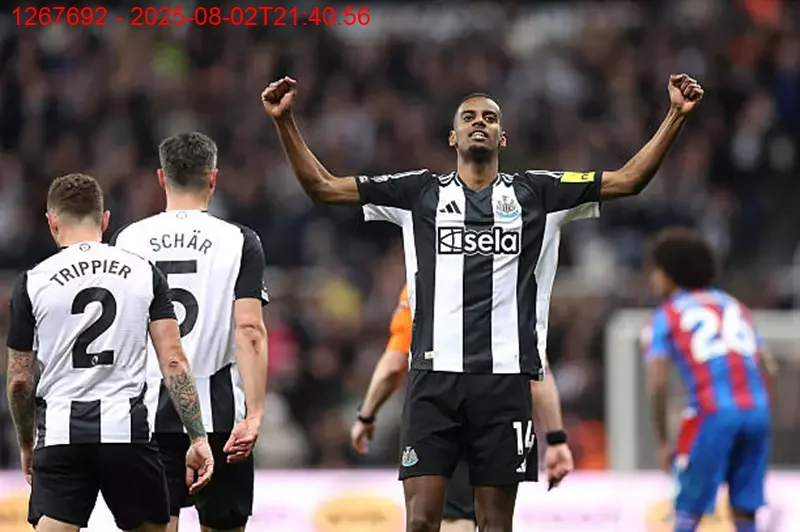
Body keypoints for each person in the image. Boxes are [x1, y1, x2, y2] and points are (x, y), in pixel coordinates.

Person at [262, 73, 703, 532]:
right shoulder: (418, 193)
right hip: (433, 380)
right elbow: (322, 187)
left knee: (494, 524)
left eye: (489, 118)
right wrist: (285, 121)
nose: (479, 122)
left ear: (502, 137)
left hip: (504, 382)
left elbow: (630, 180)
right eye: (469, 117)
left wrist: (675, 115)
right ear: (452, 137)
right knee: (421, 521)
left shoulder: (539, 193)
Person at [351, 203, 594, 531]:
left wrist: (366, 415)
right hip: (498, 409)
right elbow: (539, 372)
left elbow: (395, 363)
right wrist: (555, 438)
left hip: (442, 409)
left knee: (449, 517)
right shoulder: (508, 291)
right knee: (487, 519)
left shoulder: (424, 290)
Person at [5, 174, 214, 532]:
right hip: (127, 435)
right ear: (104, 220)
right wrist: (197, 437)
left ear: (52, 222)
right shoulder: (144, 273)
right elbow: (173, 361)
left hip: (61, 436)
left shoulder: (32, 282)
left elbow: (20, 381)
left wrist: (27, 442)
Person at [111, 133, 269, 532]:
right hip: (221, 416)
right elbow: (249, 329)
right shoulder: (239, 241)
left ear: (161, 178)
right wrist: (254, 414)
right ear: (213, 178)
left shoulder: (127, 240)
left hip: (146, 414)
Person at [642, 228, 776, 532]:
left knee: (688, 509)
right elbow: (769, 367)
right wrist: (760, 409)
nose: (651, 278)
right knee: (745, 509)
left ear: (669, 274)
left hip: (711, 414)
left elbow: (658, 383)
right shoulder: (734, 306)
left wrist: (663, 441)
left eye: (655, 270)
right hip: (757, 411)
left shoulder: (666, 314)